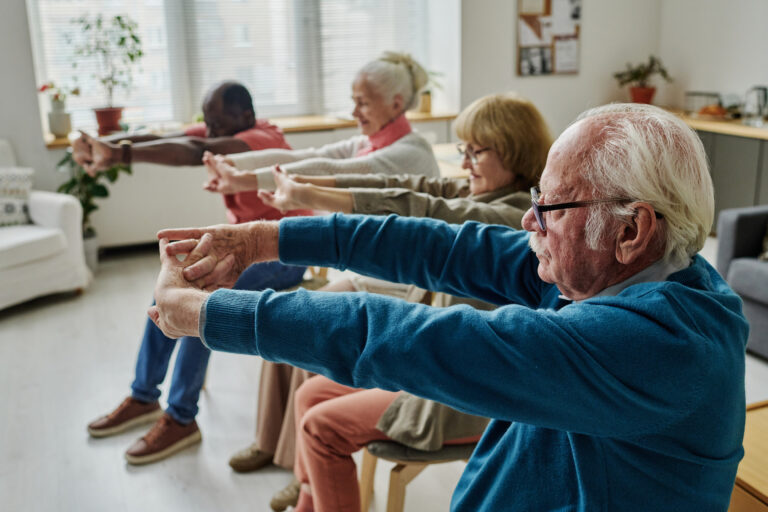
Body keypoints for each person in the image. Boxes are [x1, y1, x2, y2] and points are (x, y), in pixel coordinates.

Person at [150, 103, 749, 511]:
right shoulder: (611, 269)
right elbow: (444, 245)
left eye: (552, 207)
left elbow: (407, 337)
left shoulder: (659, 343)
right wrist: (266, 239)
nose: (528, 220)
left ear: (631, 230)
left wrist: (208, 315)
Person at [231, 93, 551, 510]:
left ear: (514, 151)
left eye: (477, 151)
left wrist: (309, 201)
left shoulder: (512, 216)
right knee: (309, 396)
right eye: (464, 150)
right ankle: (312, 501)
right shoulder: (483, 192)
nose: (466, 162)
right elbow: (405, 187)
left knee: (319, 426)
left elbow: (423, 206)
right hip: (435, 363)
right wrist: (307, 191)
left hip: (468, 391)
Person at [199, 51, 440, 474]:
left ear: (397, 104)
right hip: (367, 277)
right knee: (277, 322)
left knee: (302, 327)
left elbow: (330, 170)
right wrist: (235, 168)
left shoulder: (410, 152)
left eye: (362, 102)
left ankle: (300, 466)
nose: (353, 111)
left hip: (402, 288)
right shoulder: (369, 141)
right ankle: (270, 442)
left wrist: (243, 179)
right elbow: (300, 156)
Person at [84, 81, 311, 465]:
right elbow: (167, 136)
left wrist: (120, 154)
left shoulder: (259, 140)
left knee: (198, 305)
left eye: (218, 123)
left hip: (285, 252)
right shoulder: (225, 129)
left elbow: (192, 152)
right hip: (244, 245)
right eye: (207, 122)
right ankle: (143, 396)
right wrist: (108, 144)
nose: (210, 132)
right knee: (166, 291)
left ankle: (181, 417)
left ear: (245, 117)